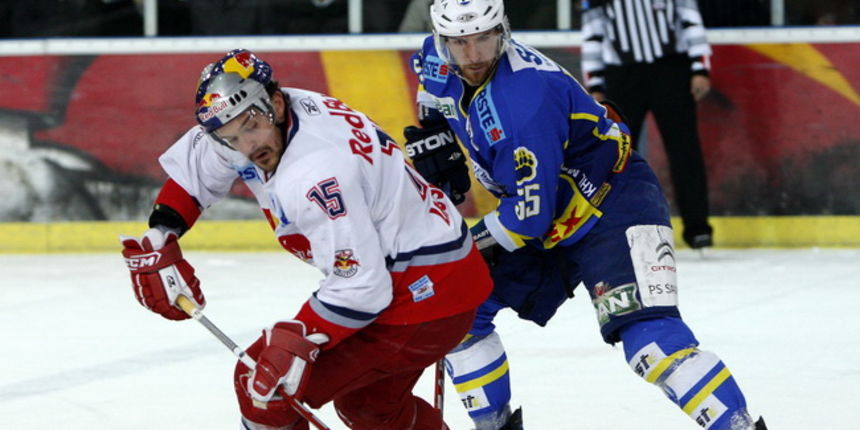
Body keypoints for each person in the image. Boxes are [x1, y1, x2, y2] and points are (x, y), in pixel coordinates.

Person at [403, 1, 766, 429]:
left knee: (648, 342)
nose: (474, 55)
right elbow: (433, 97)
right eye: (459, 43)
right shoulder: (434, 55)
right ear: (443, 40)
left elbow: (526, 219)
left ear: (503, 30)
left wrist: (461, 246)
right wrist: (435, 137)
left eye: (484, 38)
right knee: (456, 314)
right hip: (547, 208)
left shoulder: (526, 99)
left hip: (614, 205)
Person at [119, 49, 493, 430]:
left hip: (425, 295)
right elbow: (200, 168)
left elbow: (362, 286)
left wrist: (296, 339)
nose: (248, 147)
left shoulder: (316, 172)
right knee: (369, 407)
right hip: (440, 273)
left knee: (264, 391)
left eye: (250, 127)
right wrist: (160, 233)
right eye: (232, 137)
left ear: (276, 104)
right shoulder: (264, 113)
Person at [580, 0, 715, 249]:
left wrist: (700, 68)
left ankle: (697, 229)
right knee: (617, 156)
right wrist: (596, 84)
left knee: (684, 150)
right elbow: (592, 32)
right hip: (622, 75)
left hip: (671, 69)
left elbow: (690, 19)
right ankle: (619, 227)